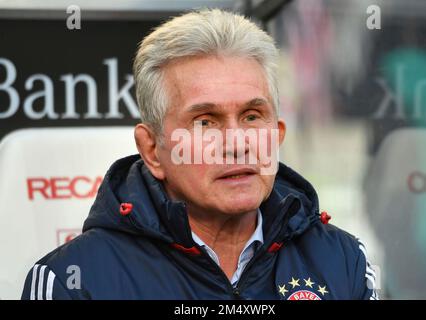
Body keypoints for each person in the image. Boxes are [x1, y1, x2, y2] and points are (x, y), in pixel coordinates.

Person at [21, 9, 378, 300]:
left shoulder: (343, 261)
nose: (237, 143)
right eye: (205, 122)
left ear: (277, 135)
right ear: (152, 151)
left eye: (252, 116)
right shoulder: (75, 280)